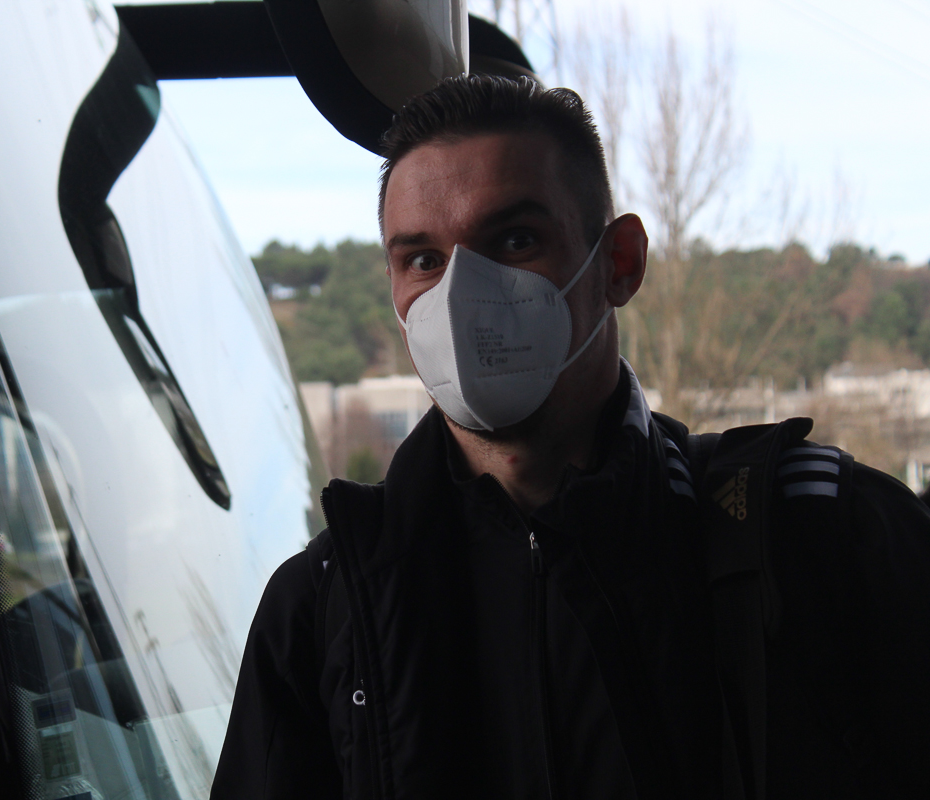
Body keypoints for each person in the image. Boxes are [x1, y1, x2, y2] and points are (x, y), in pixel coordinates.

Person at [210, 75, 930, 799]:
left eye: (515, 240)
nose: (461, 296)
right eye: (423, 260)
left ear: (620, 263)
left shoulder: (827, 537)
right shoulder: (323, 613)